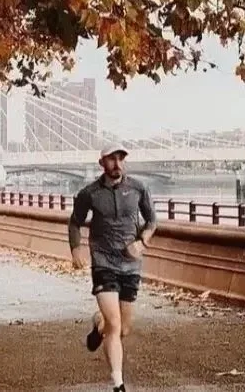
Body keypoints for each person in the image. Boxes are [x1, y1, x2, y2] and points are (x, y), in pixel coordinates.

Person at [68, 145, 156, 392]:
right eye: (112, 159)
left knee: (122, 328)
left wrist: (143, 241)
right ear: (102, 163)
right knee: (115, 325)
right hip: (104, 263)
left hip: (130, 265)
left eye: (121, 158)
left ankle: (99, 325)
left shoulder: (138, 188)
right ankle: (118, 384)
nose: (117, 163)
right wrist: (76, 250)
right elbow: (75, 222)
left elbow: (152, 220)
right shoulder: (90, 193)